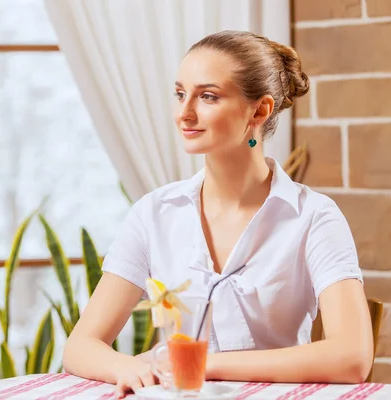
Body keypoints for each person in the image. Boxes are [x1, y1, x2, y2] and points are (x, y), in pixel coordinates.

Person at [62, 30, 374, 398]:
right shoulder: (154, 214)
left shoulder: (314, 217)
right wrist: (127, 366)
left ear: (259, 110)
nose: (185, 113)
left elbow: (352, 357)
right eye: (180, 94)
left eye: (207, 96)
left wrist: (201, 363)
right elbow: (80, 346)